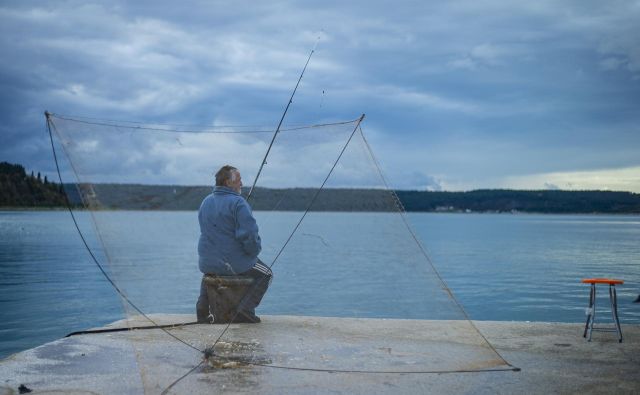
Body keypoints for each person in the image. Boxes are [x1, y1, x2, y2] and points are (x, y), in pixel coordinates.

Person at [196, 165, 272, 323]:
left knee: (209, 272)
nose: (242, 184)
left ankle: (202, 311)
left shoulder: (205, 201)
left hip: (207, 262)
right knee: (266, 274)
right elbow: (250, 236)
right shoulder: (239, 203)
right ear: (227, 183)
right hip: (231, 263)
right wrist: (253, 252)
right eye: (238, 180)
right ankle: (244, 311)